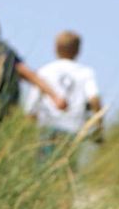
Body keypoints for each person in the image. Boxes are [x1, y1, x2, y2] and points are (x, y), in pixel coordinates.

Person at [26, 30, 105, 161]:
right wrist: (99, 127)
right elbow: (94, 99)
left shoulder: (44, 71)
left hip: (48, 127)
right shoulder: (85, 73)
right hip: (73, 129)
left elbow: (31, 107)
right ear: (78, 50)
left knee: (43, 170)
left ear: (55, 48)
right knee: (68, 170)